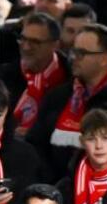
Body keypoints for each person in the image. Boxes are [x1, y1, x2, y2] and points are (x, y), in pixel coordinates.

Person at [33, 24, 107, 178]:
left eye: (81, 53)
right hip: (57, 187)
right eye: (73, 51)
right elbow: (36, 143)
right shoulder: (58, 95)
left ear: (104, 59)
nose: (73, 58)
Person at [5, 12, 68, 144]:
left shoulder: (71, 79)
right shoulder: (2, 76)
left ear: (55, 45)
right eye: (23, 39)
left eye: (35, 42)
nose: (26, 47)